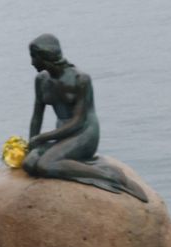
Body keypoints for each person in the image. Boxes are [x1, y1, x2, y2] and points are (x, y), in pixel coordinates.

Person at [22, 33, 147, 202]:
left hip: (84, 133)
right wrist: (31, 144)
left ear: (45, 57)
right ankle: (70, 163)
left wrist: (43, 137)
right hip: (61, 133)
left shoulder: (80, 79)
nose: (31, 62)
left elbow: (78, 121)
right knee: (29, 163)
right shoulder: (41, 80)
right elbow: (37, 116)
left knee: (45, 165)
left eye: (34, 57)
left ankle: (109, 175)